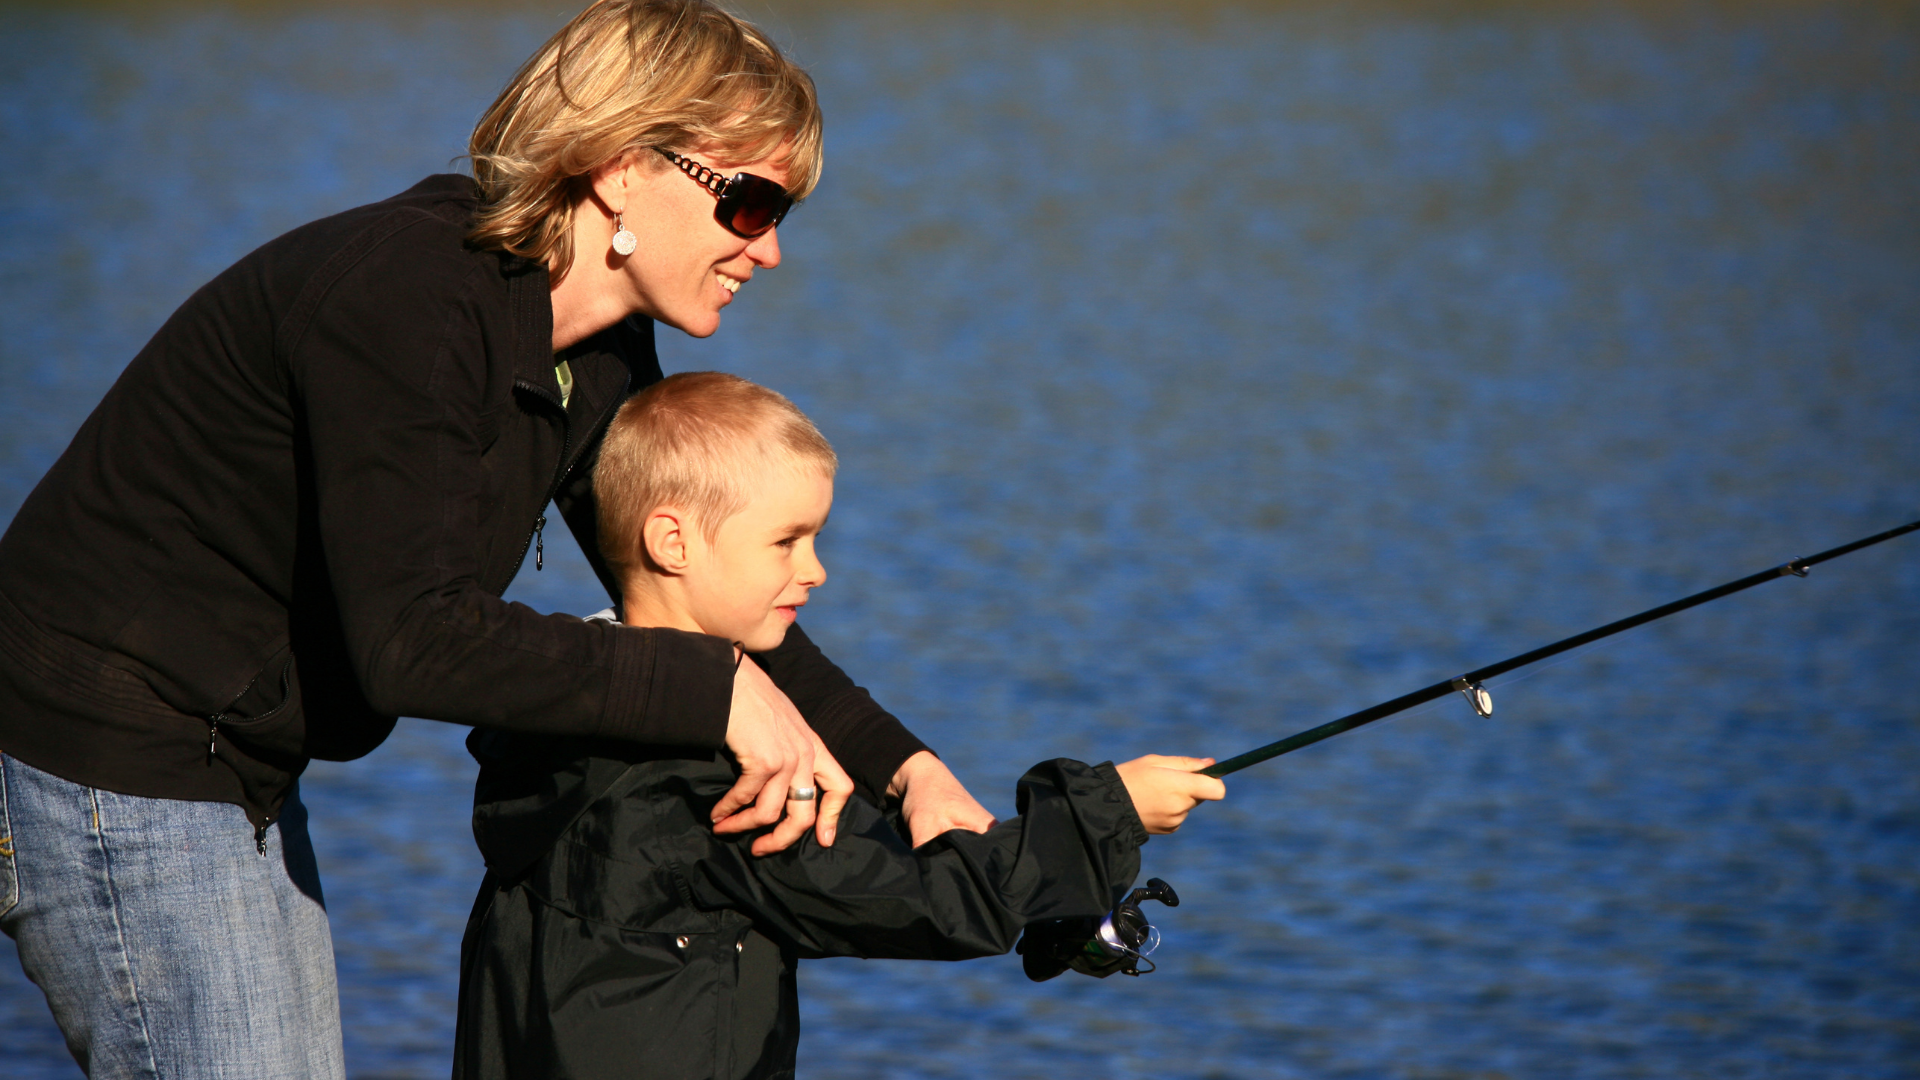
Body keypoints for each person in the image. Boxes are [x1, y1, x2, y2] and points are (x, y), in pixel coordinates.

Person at [0, 3, 991, 1076]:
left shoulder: (597, 347)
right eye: (749, 203)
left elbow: (691, 583)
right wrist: (711, 691)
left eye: (785, 208)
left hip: (232, 763)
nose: (773, 249)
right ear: (621, 166)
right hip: (107, 749)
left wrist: (905, 769)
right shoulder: (407, 300)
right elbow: (415, 642)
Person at [453, 372, 1227, 1080]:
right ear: (672, 542)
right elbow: (928, 899)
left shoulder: (558, 717)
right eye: (787, 541)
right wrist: (1108, 812)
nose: (816, 569)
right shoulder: (706, 781)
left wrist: (913, 783)